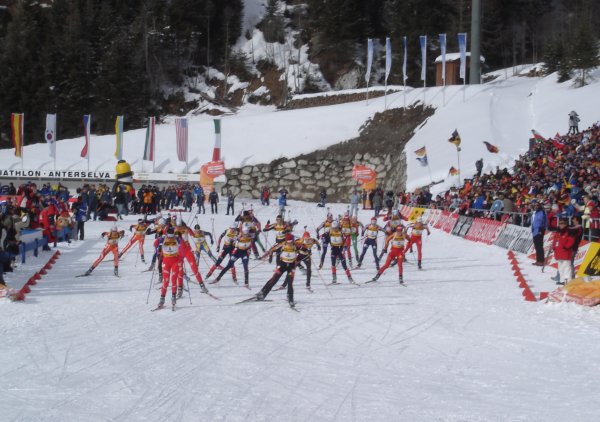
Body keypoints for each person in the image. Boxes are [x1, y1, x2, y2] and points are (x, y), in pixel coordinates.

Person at [255, 233, 298, 308]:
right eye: (288, 241)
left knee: (290, 283)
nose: (289, 242)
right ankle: (263, 294)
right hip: (282, 265)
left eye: (291, 241)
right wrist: (270, 256)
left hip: (291, 266)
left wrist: (308, 252)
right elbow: (272, 249)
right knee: (274, 280)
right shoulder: (282, 244)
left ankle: (290, 299)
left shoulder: (296, 245)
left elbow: (305, 247)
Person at [328, 220, 354, 284]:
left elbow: (345, 240)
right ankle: (334, 278)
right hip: (333, 249)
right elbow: (326, 237)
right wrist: (324, 240)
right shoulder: (330, 232)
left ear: (338, 227)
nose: (335, 229)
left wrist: (345, 247)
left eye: (336, 228)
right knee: (333, 264)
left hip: (340, 249)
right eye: (333, 228)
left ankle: (350, 278)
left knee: (344, 264)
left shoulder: (341, 233)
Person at [552, 218, 575, 285]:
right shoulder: (558, 232)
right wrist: (554, 247)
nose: (561, 225)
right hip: (558, 252)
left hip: (565, 252)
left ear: (566, 224)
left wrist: (566, 247)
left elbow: (571, 241)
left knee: (567, 266)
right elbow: (554, 240)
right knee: (560, 267)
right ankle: (562, 280)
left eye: (563, 223)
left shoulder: (569, 231)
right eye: (560, 223)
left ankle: (567, 281)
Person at [531, 201, 547, 266]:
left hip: (540, 230)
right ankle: (538, 260)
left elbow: (543, 221)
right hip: (535, 231)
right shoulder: (534, 213)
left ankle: (541, 261)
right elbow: (533, 222)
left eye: (537, 205)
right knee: (536, 246)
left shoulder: (542, 212)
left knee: (540, 246)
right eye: (535, 205)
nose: (536, 206)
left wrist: (541, 229)